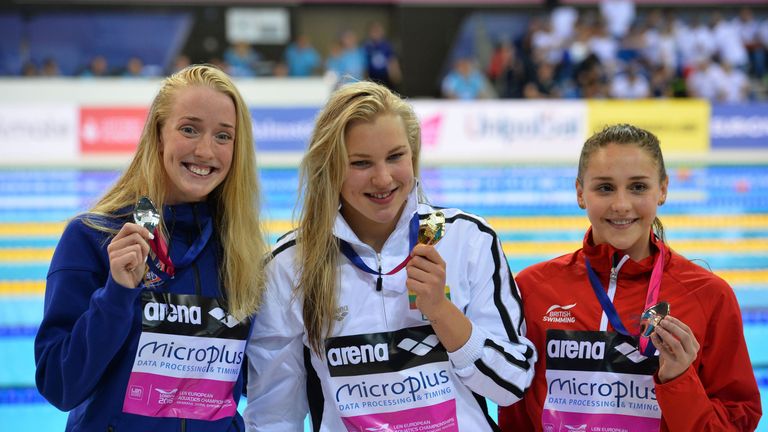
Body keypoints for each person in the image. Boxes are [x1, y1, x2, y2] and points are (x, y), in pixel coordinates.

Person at [244, 81, 536, 430]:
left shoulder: (467, 238)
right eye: (361, 163)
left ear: (414, 155)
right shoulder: (290, 265)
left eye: (395, 157)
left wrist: (441, 311)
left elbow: (511, 383)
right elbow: (274, 414)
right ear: (330, 167)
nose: (382, 179)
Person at [34, 64, 268, 431]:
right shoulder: (93, 237)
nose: (205, 150)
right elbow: (60, 386)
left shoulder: (242, 250)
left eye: (223, 136)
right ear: (158, 134)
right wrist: (116, 295)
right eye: (189, 129)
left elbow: (259, 384)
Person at [499, 124, 762, 431]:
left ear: (662, 189)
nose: (621, 205)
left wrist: (678, 379)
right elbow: (513, 414)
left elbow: (735, 423)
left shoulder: (708, 295)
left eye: (638, 187)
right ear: (580, 193)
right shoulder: (533, 289)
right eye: (605, 188)